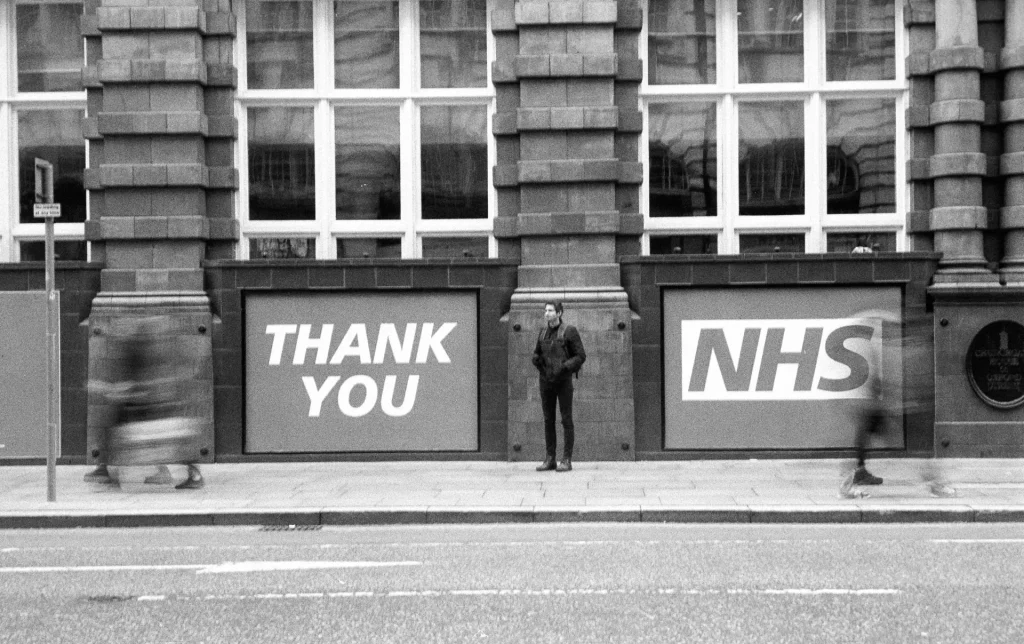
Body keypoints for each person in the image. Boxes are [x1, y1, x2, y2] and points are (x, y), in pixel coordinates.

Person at [840, 310, 955, 499]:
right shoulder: (877, 345)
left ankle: (855, 476)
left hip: (880, 404)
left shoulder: (889, 345)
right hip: (875, 404)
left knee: (868, 441)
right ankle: (935, 483)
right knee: (916, 445)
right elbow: (876, 377)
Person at [532, 301, 586, 472]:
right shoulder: (543, 333)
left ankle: (567, 459)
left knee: (566, 419)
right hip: (546, 381)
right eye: (545, 310)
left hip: (563, 382)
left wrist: (565, 367)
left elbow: (580, 356)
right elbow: (537, 352)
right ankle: (550, 459)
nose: (546, 313)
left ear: (559, 313)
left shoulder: (569, 331)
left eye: (550, 310)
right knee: (548, 420)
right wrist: (536, 360)